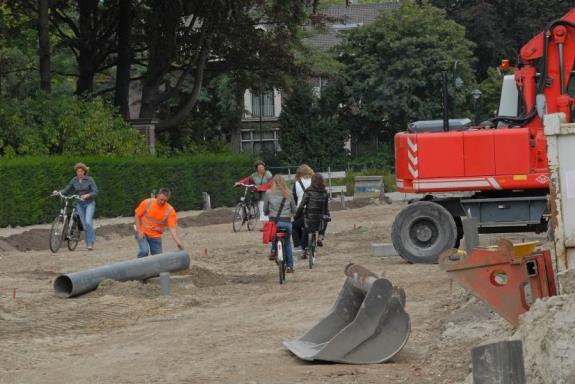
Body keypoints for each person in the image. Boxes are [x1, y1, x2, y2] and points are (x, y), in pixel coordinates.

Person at [54, 162, 98, 250]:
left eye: (81, 171)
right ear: (76, 172)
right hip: (79, 204)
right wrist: (58, 192)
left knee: (88, 222)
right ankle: (88, 242)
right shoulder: (74, 180)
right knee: (85, 224)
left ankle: (90, 242)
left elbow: (95, 191)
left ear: (84, 172)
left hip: (89, 203)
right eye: (78, 171)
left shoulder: (89, 179)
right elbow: (67, 189)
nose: (79, 173)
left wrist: (87, 195)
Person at [134, 188, 184, 258]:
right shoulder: (147, 202)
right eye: (161, 199)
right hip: (142, 232)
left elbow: (172, 229)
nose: (162, 202)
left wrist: (178, 242)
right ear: (157, 196)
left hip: (155, 236)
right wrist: (139, 231)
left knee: (158, 257)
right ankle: (139, 266)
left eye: (165, 200)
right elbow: (137, 216)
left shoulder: (170, 210)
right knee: (144, 251)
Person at [263, 175, 297, 273]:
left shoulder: (268, 193)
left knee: (274, 235)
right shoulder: (289, 193)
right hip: (286, 222)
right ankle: (290, 266)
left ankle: (273, 251)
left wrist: (266, 213)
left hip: (274, 222)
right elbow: (294, 209)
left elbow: (265, 208)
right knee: (287, 243)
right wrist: (290, 213)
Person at [295, 173, 330, 256]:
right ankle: (321, 236)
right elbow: (326, 208)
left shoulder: (308, 191)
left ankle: (303, 250)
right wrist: (326, 216)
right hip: (321, 216)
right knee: (327, 217)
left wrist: (297, 215)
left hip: (309, 216)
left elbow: (302, 205)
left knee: (306, 230)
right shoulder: (325, 192)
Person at [291, 164, 314, 253]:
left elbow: (295, 198)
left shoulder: (296, 183)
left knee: (295, 226)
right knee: (308, 226)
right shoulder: (314, 181)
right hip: (313, 209)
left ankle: (298, 245)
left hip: (302, 210)